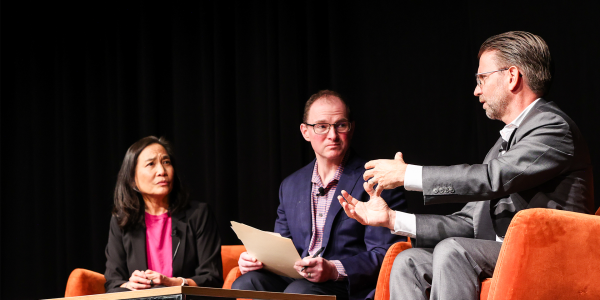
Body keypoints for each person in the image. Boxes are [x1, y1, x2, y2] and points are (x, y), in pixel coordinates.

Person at [338, 31, 594, 300]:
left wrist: (408, 174)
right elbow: (469, 222)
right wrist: (392, 219)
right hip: (505, 252)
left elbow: (493, 177)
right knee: (409, 262)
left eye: (482, 78)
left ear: (512, 76)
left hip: (550, 256)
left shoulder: (552, 127)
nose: (476, 90)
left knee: (454, 250)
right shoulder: (502, 144)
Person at [232, 90, 407, 300]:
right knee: (245, 283)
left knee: (299, 292)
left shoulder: (376, 180)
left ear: (351, 128)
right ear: (305, 132)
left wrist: (334, 269)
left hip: (347, 285)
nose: (332, 135)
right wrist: (258, 259)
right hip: (299, 279)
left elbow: (384, 254)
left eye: (340, 125)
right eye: (322, 126)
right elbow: (282, 246)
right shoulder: (290, 185)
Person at [104, 136, 223, 292]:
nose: (162, 171)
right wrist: (129, 285)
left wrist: (173, 283)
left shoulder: (199, 214)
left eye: (166, 162)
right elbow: (113, 282)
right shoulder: (122, 220)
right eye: (151, 164)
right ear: (133, 180)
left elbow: (212, 277)